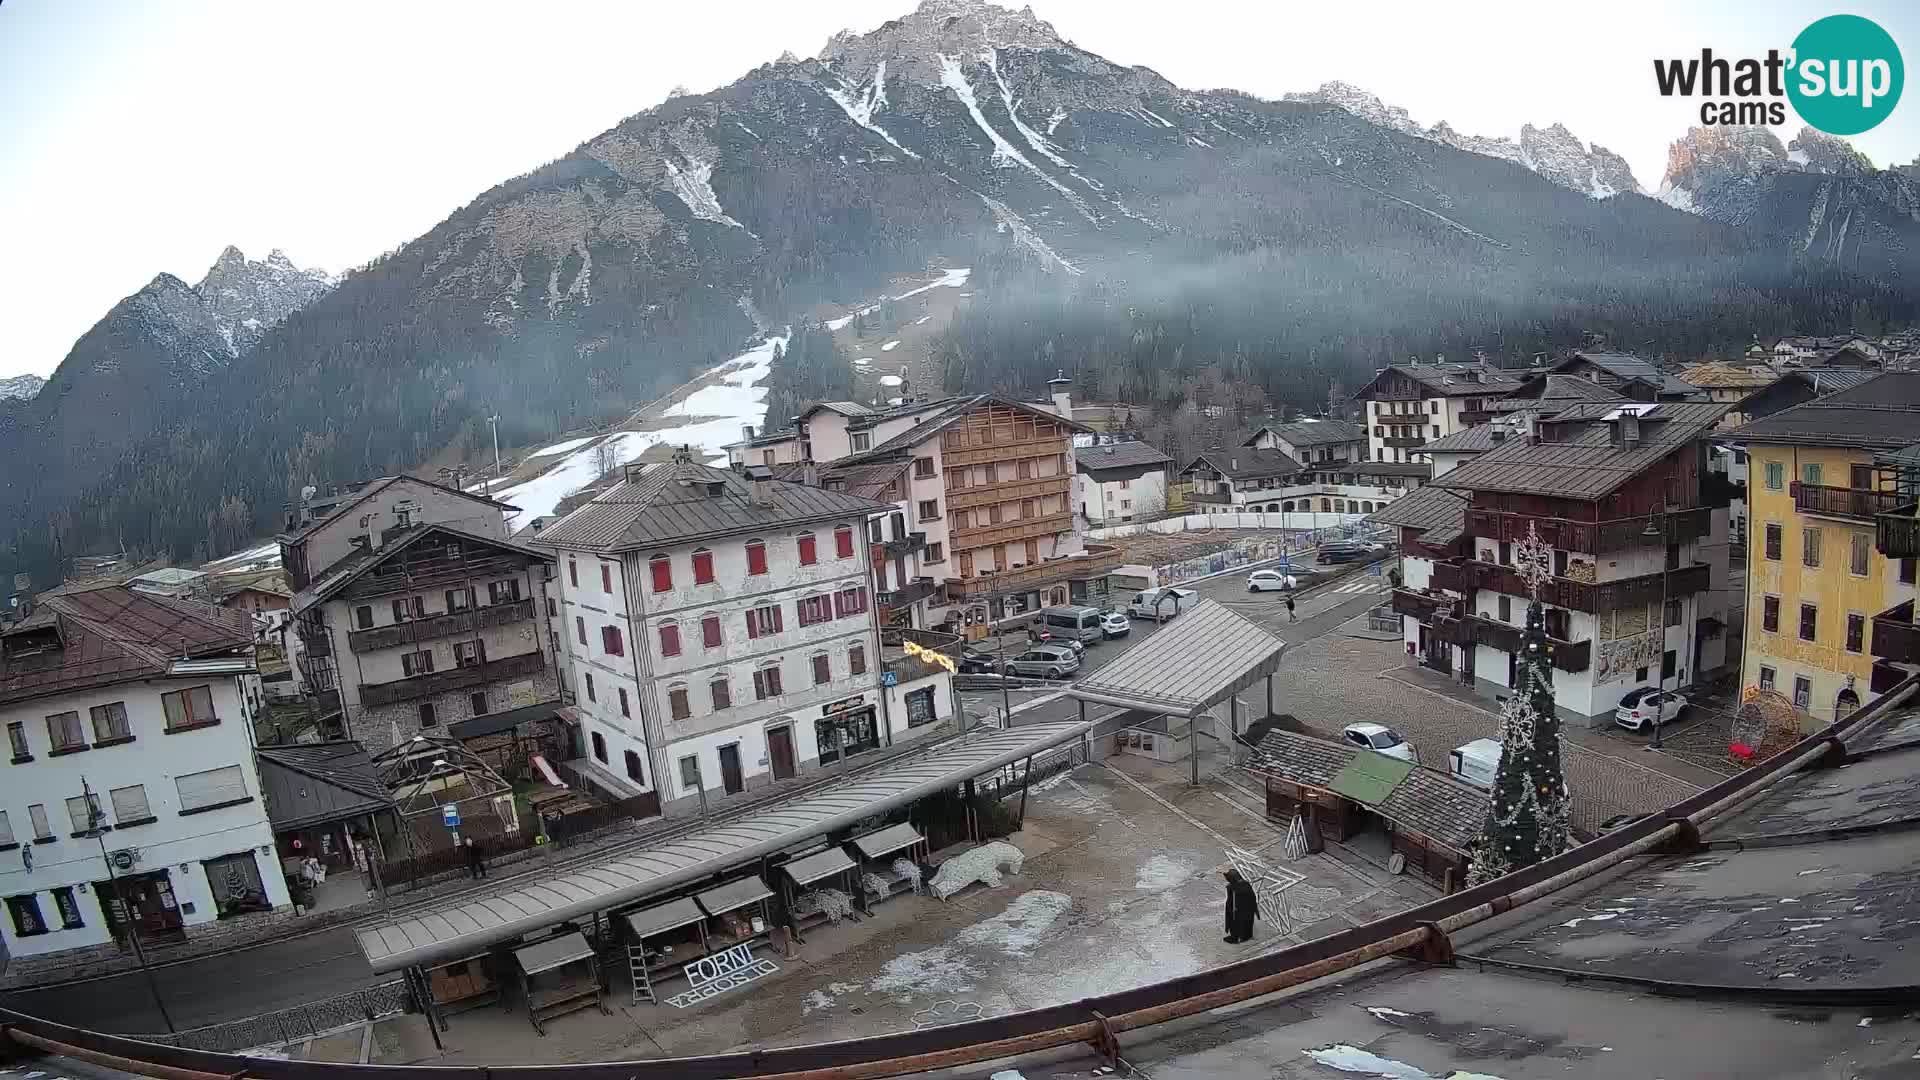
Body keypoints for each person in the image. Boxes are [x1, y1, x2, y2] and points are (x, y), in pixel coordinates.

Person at [1222, 868, 1259, 943]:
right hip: (1248, 909)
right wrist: (1255, 909)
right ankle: (1246, 936)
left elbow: (1230, 902)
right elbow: (1253, 897)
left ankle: (1235, 938)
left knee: (1235, 923)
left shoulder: (1231, 887)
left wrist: (1228, 916)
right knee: (1247, 922)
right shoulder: (1246, 884)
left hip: (1237, 911)